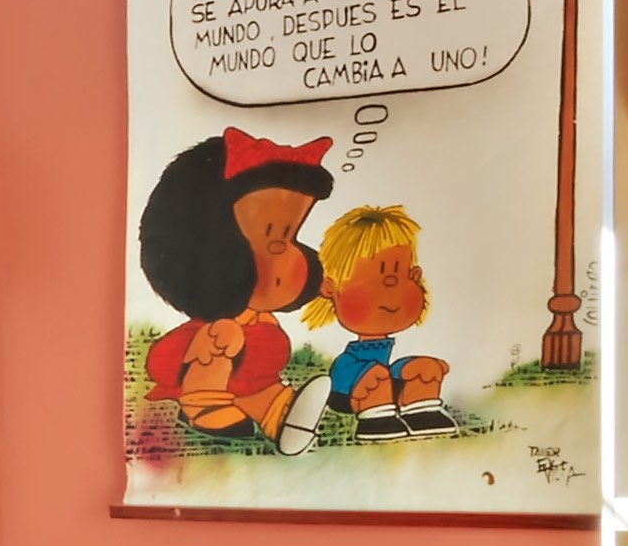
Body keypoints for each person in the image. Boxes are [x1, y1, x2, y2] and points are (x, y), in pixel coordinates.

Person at [133, 129, 332, 448]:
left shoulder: (260, 301)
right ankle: (202, 404)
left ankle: (279, 415)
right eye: (270, 234)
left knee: (259, 385)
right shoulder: (220, 310)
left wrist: (312, 283)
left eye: (289, 234)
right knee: (224, 337)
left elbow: (277, 287)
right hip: (196, 357)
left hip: (252, 368)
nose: (283, 249)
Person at [311, 203, 454, 435]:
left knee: (424, 368)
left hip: (384, 374)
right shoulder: (346, 365)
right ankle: (376, 420)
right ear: (330, 288)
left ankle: (422, 413)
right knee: (376, 376)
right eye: (370, 279)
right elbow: (367, 373)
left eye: (398, 276)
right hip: (347, 385)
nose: (389, 288)